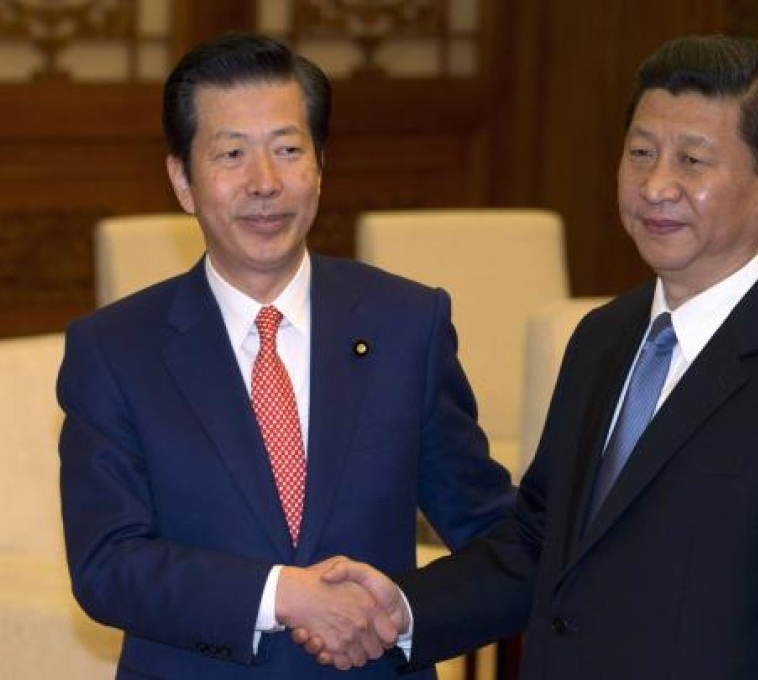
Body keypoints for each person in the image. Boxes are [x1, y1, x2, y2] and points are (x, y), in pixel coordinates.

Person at [304, 34, 758, 678]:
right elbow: (543, 544)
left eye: (692, 160)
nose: (657, 185)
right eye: (641, 153)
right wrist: (401, 609)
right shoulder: (604, 336)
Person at [56, 33, 513, 678]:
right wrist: (281, 595)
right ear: (183, 180)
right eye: (232, 154)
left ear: (319, 168)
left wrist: (403, 615)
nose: (264, 183)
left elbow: (491, 533)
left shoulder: (408, 323)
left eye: (288, 150)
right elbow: (107, 564)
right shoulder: (115, 349)